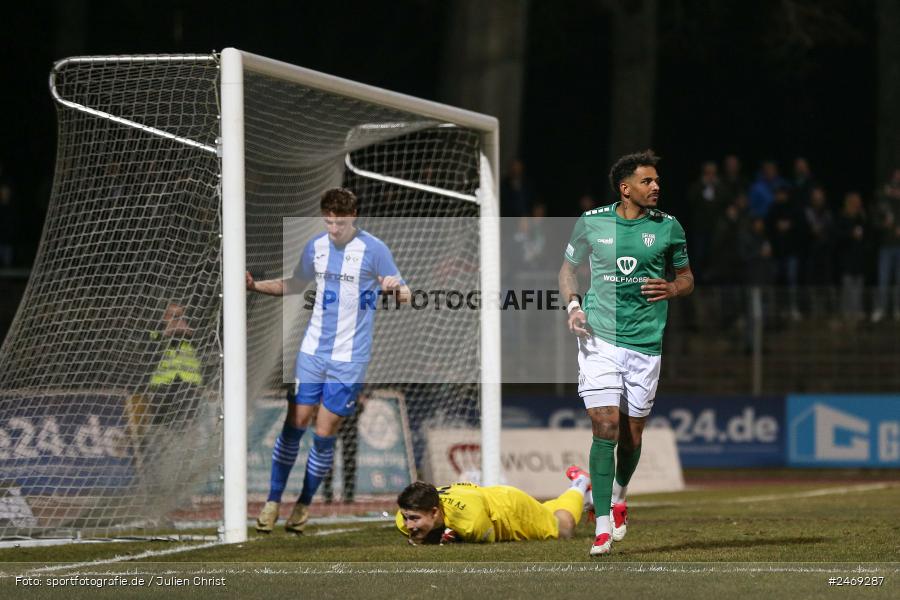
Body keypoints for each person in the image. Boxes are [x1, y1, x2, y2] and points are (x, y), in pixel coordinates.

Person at [247, 187, 410, 534]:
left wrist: (397, 287)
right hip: (312, 354)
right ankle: (272, 501)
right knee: (294, 425)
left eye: (339, 222)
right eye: (328, 221)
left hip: (348, 362)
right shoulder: (316, 246)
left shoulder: (374, 249)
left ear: (353, 217)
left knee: (324, 435)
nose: (333, 228)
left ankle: (304, 504)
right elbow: (294, 283)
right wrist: (256, 286)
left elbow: (405, 294)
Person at [558, 150, 694, 556]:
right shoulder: (592, 221)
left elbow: (687, 278)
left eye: (657, 180)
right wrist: (573, 306)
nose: (657, 187)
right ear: (626, 188)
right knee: (605, 426)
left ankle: (619, 496)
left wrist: (672, 288)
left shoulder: (669, 228)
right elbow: (567, 269)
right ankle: (601, 525)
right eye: (648, 181)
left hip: (646, 343)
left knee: (632, 435)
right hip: (599, 337)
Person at [395, 467, 591, 545]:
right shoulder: (403, 517)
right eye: (406, 517)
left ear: (434, 512)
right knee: (547, 512)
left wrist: (451, 540)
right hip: (484, 499)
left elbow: (488, 543)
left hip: (509, 509)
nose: (409, 525)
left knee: (563, 528)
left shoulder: (471, 521)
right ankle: (584, 498)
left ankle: (580, 483)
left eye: (415, 519)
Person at [872, 168, 900, 322]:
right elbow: (875, 222)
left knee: (899, 280)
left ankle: (897, 310)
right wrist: (884, 223)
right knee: (883, 279)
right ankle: (880, 309)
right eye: (895, 180)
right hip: (886, 246)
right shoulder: (883, 201)